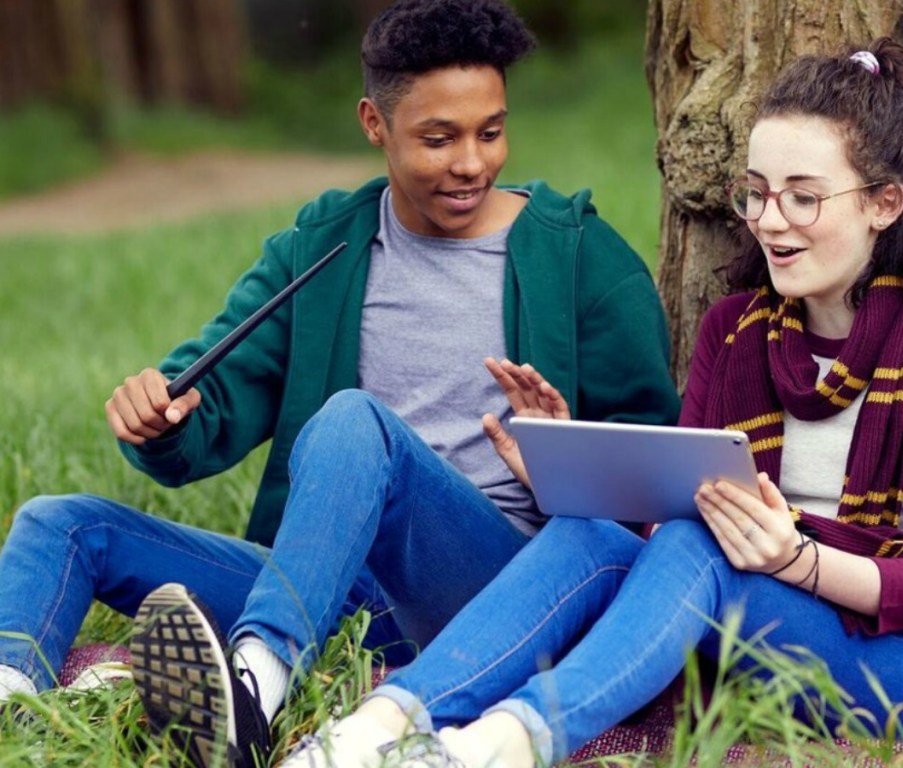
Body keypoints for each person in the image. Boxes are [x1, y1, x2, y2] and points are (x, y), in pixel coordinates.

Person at [275, 37, 903, 768]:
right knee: (592, 535)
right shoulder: (735, 333)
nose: (771, 220)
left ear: (884, 203)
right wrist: (567, 475)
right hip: (750, 609)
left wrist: (793, 557)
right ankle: (374, 729)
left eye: (804, 197)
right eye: (756, 192)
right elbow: (670, 526)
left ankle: (499, 746)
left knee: (705, 543)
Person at [0, 0, 679, 763]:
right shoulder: (323, 246)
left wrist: (562, 459)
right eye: (438, 137)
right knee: (60, 524)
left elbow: (650, 483)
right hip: (331, 585)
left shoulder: (580, 257)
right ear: (373, 124)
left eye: (490, 131)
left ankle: (254, 688)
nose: (472, 162)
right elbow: (211, 399)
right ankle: (13, 713)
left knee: (357, 423)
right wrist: (162, 417)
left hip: (491, 587)